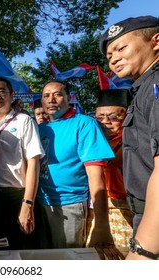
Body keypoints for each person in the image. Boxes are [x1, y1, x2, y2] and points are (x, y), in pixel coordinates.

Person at [36, 79, 123, 259]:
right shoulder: (40, 128)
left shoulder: (84, 124)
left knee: (67, 261)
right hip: (41, 203)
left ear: (69, 98)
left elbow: (95, 175)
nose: (51, 100)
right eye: (46, 96)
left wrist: (102, 224)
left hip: (70, 205)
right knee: (42, 260)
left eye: (57, 94)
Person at [100, 15, 159, 260]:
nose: (113, 58)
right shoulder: (144, 88)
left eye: (121, 47)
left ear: (156, 42)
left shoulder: (155, 85)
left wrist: (144, 249)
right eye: (109, 55)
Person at [0, 76, 44, 250]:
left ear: (11, 94)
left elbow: (34, 164)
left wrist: (27, 203)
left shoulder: (24, 121)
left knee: (22, 250)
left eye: (1, 91)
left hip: (19, 196)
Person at [85, 89, 134, 248]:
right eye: (100, 117)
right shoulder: (89, 140)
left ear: (126, 116)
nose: (106, 121)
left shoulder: (135, 142)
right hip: (93, 210)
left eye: (113, 117)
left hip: (125, 210)